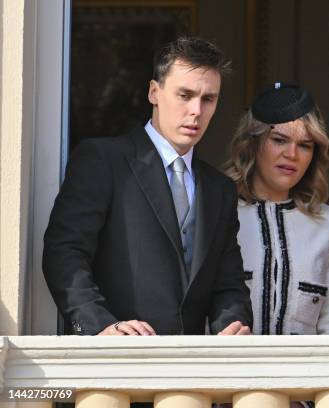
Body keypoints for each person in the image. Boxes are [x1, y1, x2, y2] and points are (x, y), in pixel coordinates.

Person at [43, 37, 252, 336]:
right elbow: (64, 253)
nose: (196, 110)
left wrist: (233, 327)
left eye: (208, 99)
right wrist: (99, 326)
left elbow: (228, 283)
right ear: (154, 92)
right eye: (185, 95)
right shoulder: (103, 160)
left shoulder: (220, 189)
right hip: (112, 364)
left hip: (192, 371)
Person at [225, 82, 329, 335]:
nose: (292, 154)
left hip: (307, 373)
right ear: (253, 142)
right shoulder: (219, 213)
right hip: (228, 371)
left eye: (305, 145)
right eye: (279, 140)